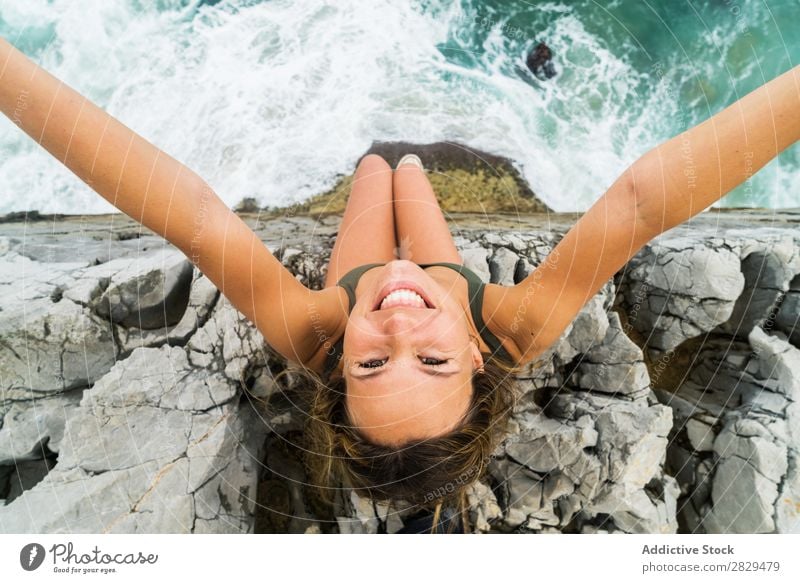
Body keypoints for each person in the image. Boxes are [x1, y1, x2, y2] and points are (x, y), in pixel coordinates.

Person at [1, 35, 798, 532]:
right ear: (481, 359)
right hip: (447, 265)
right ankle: (408, 159)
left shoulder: (312, 328)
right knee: (410, 168)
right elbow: (636, 203)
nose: (401, 330)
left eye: (372, 364)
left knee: (370, 172)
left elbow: (196, 217)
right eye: (436, 362)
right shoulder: (515, 324)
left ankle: (380, 163)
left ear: (336, 369)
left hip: (355, 266)